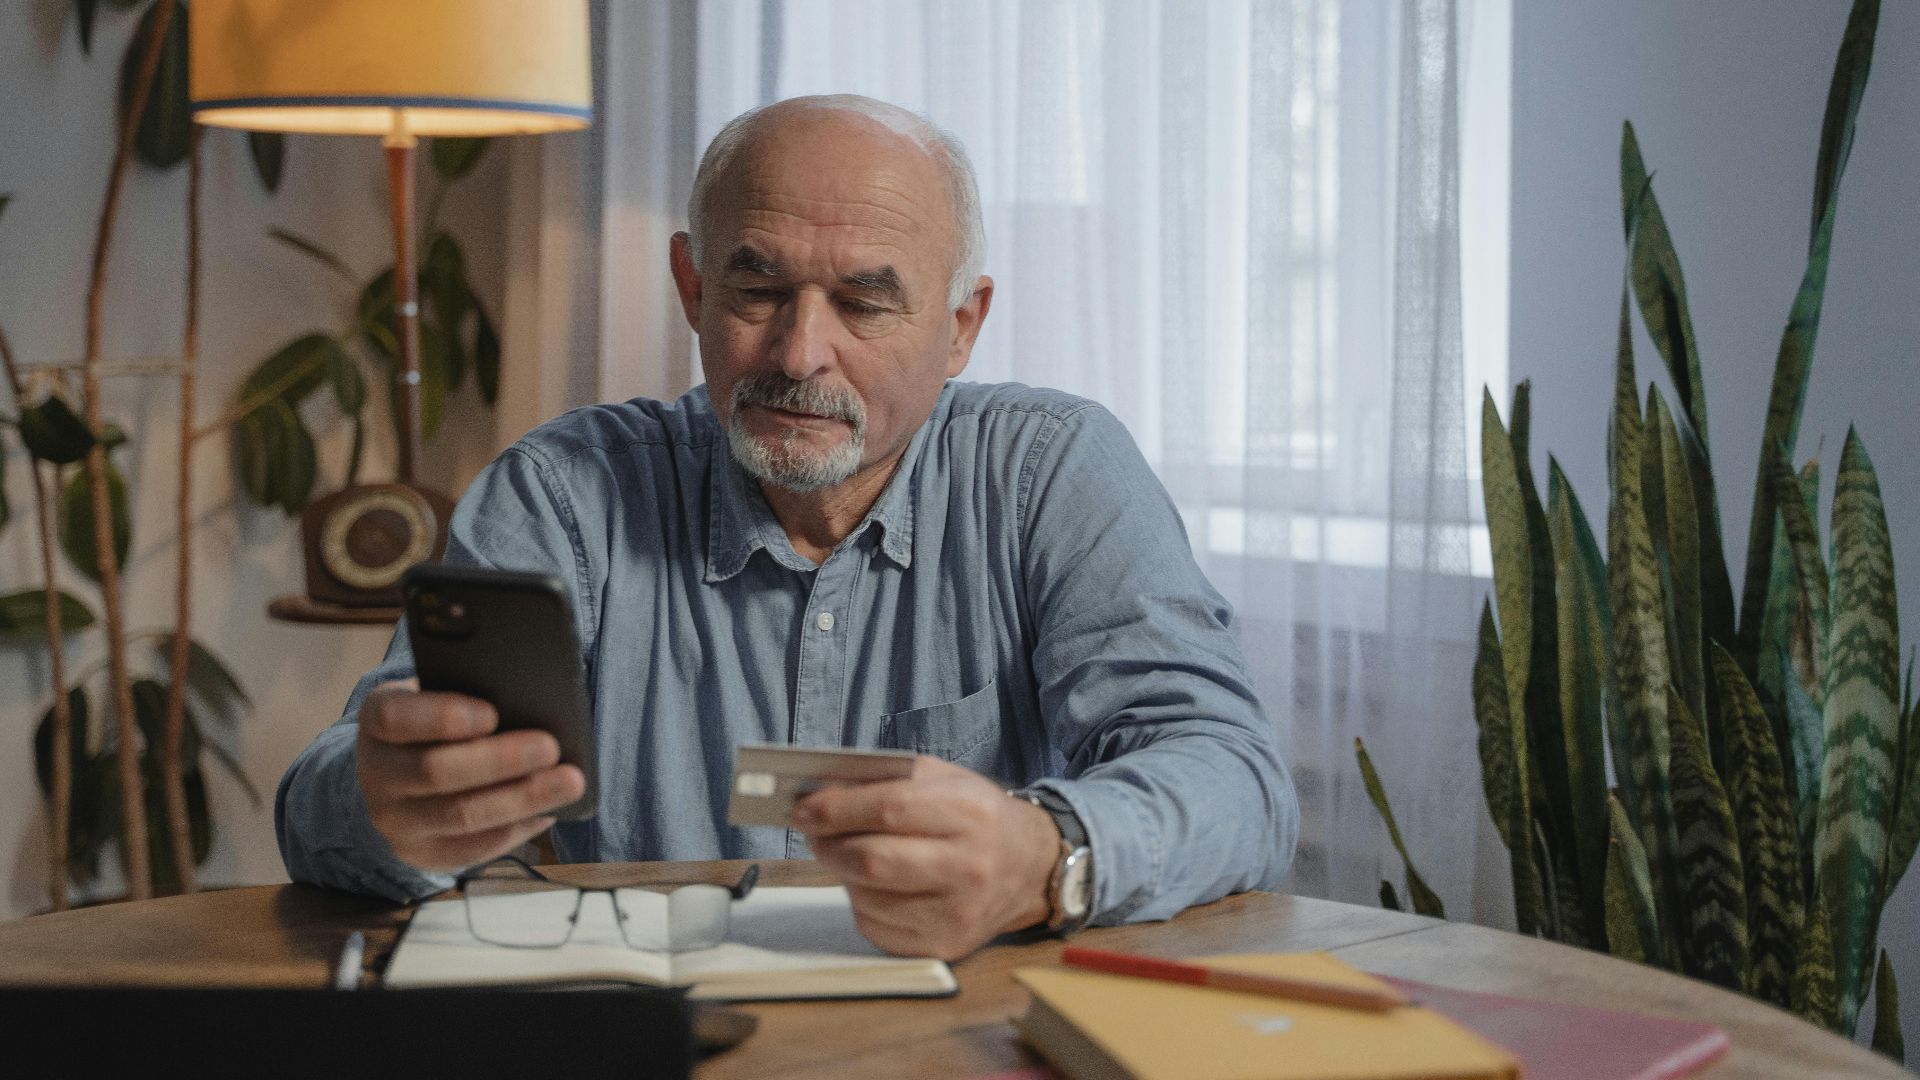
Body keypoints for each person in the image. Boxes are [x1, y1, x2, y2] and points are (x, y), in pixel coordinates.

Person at [277, 94, 1297, 960]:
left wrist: (1048, 855)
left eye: (865, 304)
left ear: (960, 329)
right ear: (691, 286)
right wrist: (388, 803)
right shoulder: (563, 493)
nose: (801, 352)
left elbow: (1233, 777)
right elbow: (323, 799)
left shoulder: (1050, 472)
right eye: (757, 288)